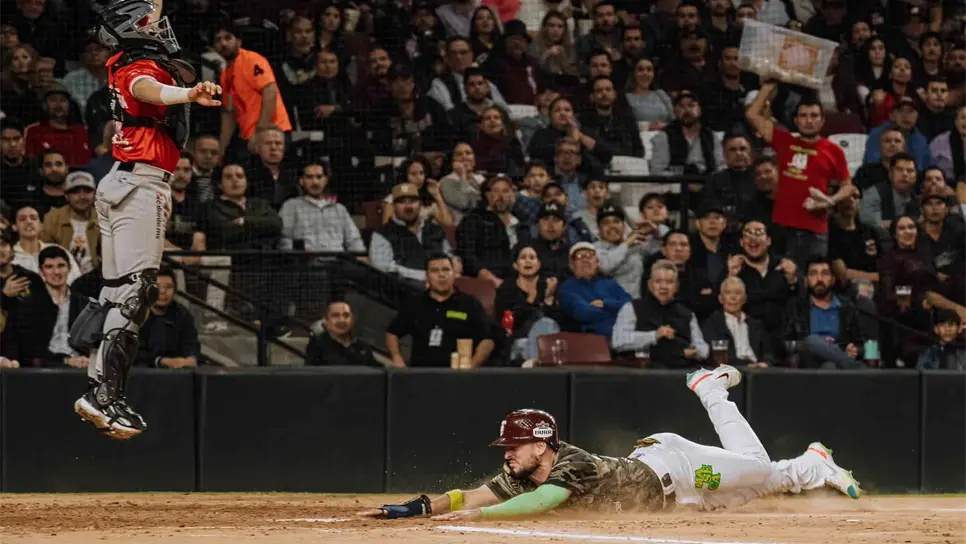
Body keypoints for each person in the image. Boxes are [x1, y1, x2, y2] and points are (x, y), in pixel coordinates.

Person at [359, 367, 860, 520]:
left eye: (514, 445)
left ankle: (709, 389)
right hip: (680, 497)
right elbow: (471, 494)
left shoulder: (567, 463)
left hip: (678, 465)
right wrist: (422, 506)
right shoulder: (523, 470)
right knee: (754, 483)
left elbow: (544, 500)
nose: (506, 454)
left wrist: (476, 518)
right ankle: (812, 465)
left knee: (756, 468)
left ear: (542, 445)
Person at [71, 0, 224, 440]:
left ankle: (99, 393)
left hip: (125, 181)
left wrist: (185, 87)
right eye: (152, 23)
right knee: (136, 290)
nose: (161, 29)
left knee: (118, 293)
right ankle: (106, 396)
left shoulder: (128, 62)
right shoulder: (139, 69)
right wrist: (188, 94)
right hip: (140, 185)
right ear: (135, 30)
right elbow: (148, 90)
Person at [746, 81, 855, 266]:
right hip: (782, 228)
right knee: (780, 282)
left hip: (815, 230)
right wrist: (768, 86)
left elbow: (848, 186)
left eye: (814, 116)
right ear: (795, 120)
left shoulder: (833, 150)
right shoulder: (784, 141)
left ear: (822, 120)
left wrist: (830, 200)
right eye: (803, 116)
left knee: (812, 282)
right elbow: (752, 114)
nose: (809, 120)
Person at [386, 253, 494, 367]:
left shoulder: (470, 304)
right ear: (427, 276)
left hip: (456, 377)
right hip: (420, 376)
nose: (441, 275)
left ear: (454, 274)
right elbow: (392, 333)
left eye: (446, 269)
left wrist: (472, 366)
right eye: (435, 271)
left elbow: (487, 341)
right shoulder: (416, 303)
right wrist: (396, 357)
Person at [612, 259, 709, 367]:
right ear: (650, 285)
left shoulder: (687, 314)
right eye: (658, 281)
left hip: (680, 373)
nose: (663, 286)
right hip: (645, 373)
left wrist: (695, 352)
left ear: (676, 287)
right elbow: (618, 341)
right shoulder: (631, 308)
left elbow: (703, 348)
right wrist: (654, 335)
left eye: (669, 282)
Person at [213, 22, 292, 155]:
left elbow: (270, 92)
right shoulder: (225, 75)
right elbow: (229, 113)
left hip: (273, 132)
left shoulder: (252, 60)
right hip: (249, 135)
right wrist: (221, 150)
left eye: (227, 38)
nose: (223, 44)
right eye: (218, 40)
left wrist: (260, 131)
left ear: (238, 41)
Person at [783, 258, 867, 369]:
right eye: (813, 274)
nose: (819, 279)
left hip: (836, 366)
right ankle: (856, 368)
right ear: (806, 281)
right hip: (807, 363)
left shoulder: (847, 307)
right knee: (812, 340)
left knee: (829, 366)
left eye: (825, 274)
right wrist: (816, 345)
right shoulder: (796, 307)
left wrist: (854, 350)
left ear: (832, 279)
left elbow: (863, 344)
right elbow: (785, 345)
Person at [15, 246, 89, 368]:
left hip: (82, 367)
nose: (56, 272)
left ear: (69, 268)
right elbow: (28, 349)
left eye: (61, 266)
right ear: (41, 271)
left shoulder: (83, 304)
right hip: (44, 370)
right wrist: (66, 361)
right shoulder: (28, 305)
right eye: (49, 267)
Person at [493, 245, 562, 363]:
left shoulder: (546, 287)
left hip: (541, 344)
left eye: (532, 257)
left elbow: (557, 324)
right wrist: (530, 299)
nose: (528, 261)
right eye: (523, 257)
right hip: (516, 342)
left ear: (538, 264)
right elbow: (508, 323)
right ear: (515, 265)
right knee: (525, 344)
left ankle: (535, 367)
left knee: (547, 325)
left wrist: (548, 299)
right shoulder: (507, 289)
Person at [557, 242, 630, 339]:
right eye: (579, 256)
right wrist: (617, 311)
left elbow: (631, 305)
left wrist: (605, 304)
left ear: (597, 262)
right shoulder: (567, 288)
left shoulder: (610, 283)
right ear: (571, 265)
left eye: (590, 255)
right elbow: (584, 313)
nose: (585, 259)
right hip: (593, 341)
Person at [701, 276, 774, 367]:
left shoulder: (755, 324)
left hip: (758, 372)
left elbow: (769, 353)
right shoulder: (711, 324)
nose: (733, 297)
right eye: (728, 293)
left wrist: (766, 363)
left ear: (744, 299)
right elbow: (715, 356)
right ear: (720, 299)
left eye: (738, 293)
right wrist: (747, 365)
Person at [135, 266, 198, 368]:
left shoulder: (182, 314)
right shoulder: (137, 313)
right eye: (157, 287)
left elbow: (191, 343)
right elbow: (134, 352)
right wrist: (161, 361)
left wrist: (191, 357)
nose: (163, 291)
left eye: (169, 287)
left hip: (176, 373)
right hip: (141, 373)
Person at [40, 171, 99, 275]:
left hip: (95, 279)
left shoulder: (102, 219)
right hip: (60, 276)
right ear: (66, 195)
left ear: (94, 194)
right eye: (75, 192)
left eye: (87, 191)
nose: (82, 197)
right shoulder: (53, 218)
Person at [305, 301, 379, 367]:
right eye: (336, 315)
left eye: (346, 315)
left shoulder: (362, 346)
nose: (341, 320)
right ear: (326, 321)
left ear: (352, 320)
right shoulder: (317, 346)